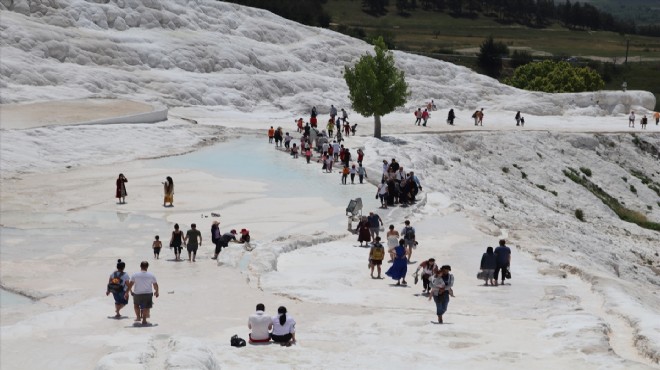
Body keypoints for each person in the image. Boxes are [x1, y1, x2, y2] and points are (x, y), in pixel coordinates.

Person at [127, 261, 159, 325]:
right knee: (146, 307)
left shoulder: (135, 275)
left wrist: (126, 292)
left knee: (136, 305)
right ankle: (144, 320)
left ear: (140, 266)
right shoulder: (151, 275)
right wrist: (157, 291)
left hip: (137, 294)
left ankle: (138, 317)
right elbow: (155, 285)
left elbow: (130, 285)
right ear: (147, 267)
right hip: (148, 294)